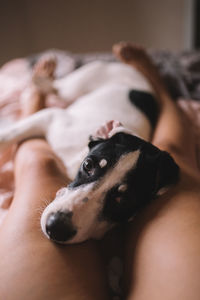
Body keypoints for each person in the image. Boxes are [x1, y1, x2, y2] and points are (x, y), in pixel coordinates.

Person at [0, 43, 200, 300]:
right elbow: (53, 119)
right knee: (174, 150)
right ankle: (37, 97)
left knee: (37, 166)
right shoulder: (84, 136)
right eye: (89, 166)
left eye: (121, 199)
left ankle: (157, 87)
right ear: (101, 133)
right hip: (114, 83)